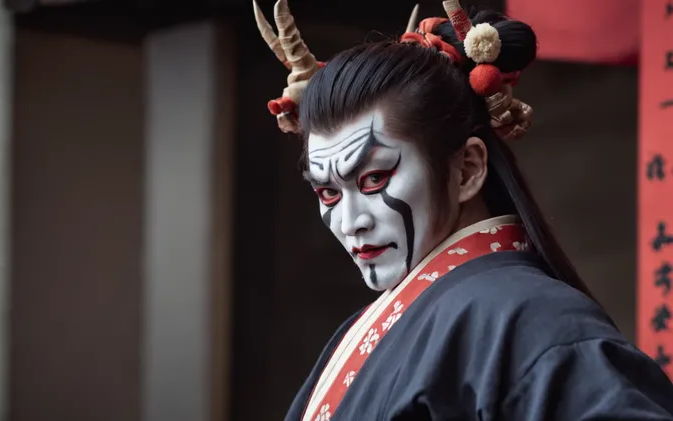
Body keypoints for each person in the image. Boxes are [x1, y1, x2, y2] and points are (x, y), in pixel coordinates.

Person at [252, 0, 673, 419]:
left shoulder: (531, 320)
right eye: (328, 193)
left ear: (467, 169)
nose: (350, 222)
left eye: (375, 180)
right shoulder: (391, 324)